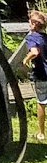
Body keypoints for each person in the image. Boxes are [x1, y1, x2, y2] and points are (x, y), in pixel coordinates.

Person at [28, 9, 47, 144]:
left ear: (34, 24)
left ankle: (41, 133)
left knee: (41, 102)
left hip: (42, 75)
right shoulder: (46, 37)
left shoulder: (31, 37)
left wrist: (25, 60)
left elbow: (34, 52)